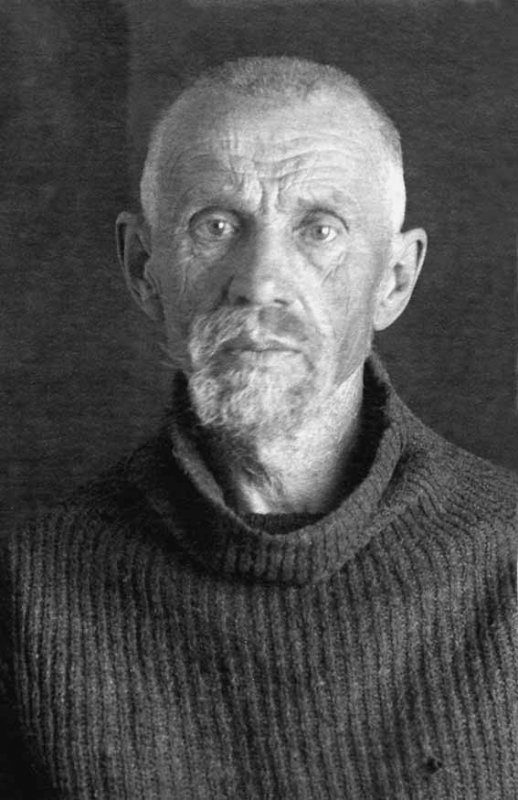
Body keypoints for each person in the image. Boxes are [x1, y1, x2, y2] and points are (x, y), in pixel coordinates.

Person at [1, 56, 516, 799]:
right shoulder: (28, 589)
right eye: (215, 225)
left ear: (394, 279)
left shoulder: (509, 564)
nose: (261, 280)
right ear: (144, 268)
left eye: (320, 229)